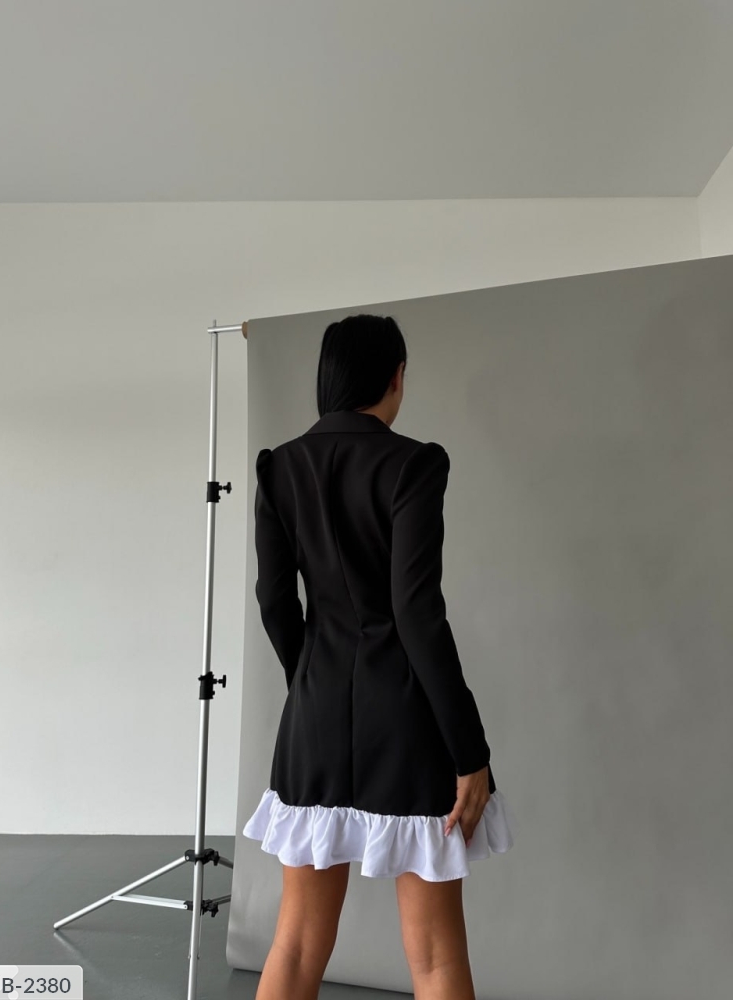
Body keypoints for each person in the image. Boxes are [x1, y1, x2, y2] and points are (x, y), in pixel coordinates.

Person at [242, 313, 516, 1000]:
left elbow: (275, 603)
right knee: (436, 956)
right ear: (396, 378)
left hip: (312, 720)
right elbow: (417, 614)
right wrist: (471, 753)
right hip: (407, 720)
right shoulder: (413, 464)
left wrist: (311, 679)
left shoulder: (279, 468)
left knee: (295, 944)